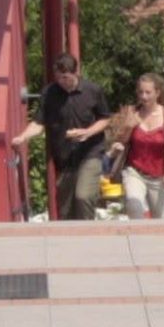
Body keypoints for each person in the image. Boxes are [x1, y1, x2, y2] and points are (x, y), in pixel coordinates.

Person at [11, 53, 113, 221]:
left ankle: (88, 233)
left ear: (75, 73)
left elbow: (105, 118)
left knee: (83, 195)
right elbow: (39, 122)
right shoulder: (49, 93)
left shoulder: (92, 90)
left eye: (65, 77)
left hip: (90, 152)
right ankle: (71, 241)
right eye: (58, 78)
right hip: (64, 156)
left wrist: (87, 132)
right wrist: (23, 137)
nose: (62, 82)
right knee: (65, 208)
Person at [111, 72, 164, 220]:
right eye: (140, 92)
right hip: (135, 171)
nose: (144, 96)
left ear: (157, 93)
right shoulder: (133, 113)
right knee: (134, 205)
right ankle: (137, 239)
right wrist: (128, 126)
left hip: (159, 175)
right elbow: (120, 141)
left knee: (161, 219)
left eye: (148, 92)